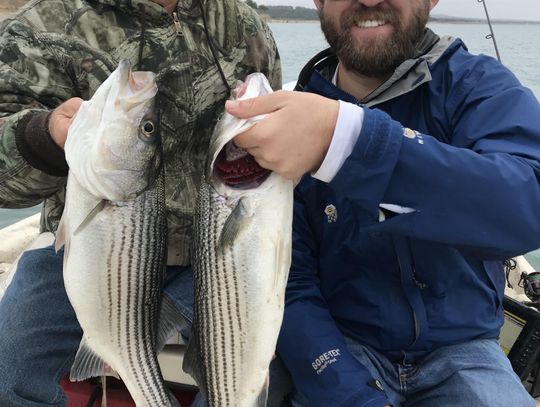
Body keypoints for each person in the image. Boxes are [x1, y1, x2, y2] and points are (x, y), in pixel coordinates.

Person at [226, 0, 540, 406]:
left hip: (466, 351)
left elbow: (528, 204)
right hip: (339, 346)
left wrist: (348, 142)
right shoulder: (288, 124)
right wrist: (349, 390)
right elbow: (287, 283)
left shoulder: (478, 86)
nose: (370, 0)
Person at [0, 0, 281, 406]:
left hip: (220, 252)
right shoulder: (41, 26)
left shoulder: (242, 25)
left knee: (258, 377)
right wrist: (46, 135)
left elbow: (274, 137)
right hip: (88, 250)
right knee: (8, 369)